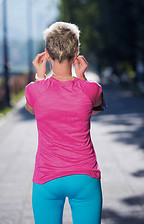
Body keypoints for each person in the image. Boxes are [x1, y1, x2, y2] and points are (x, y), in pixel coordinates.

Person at [25, 21, 107, 224]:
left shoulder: (33, 90)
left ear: (46, 53)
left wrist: (39, 77)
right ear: (77, 51)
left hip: (47, 177)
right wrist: (82, 78)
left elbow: (32, 108)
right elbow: (97, 107)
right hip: (84, 176)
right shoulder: (91, 89)